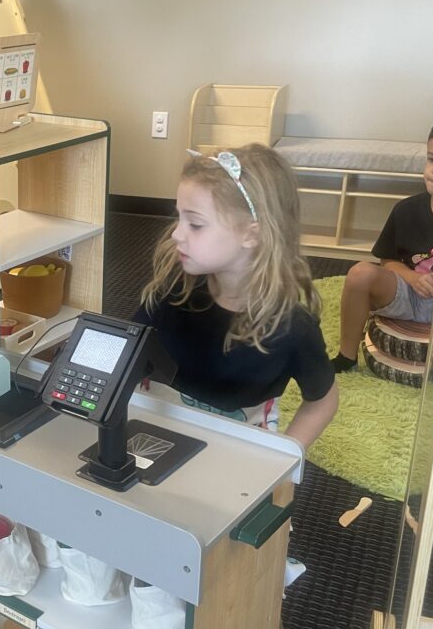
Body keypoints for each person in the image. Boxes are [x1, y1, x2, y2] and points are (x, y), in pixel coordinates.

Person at [134, 144, 338, 448]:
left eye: (196, 224)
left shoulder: (293, 327)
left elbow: (322, 401)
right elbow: (126, 351)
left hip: (239, 453)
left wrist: (284, 457)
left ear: (251, 235)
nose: (176, 234)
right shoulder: (171, 287)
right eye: (179, 218)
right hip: (156, 436)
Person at [331, 118, 433, 373]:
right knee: (360, 273)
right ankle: (347, 356)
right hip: (410, 296)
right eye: (432, 159)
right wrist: (414, 279)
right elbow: (388, 260)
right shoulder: (406, 210)